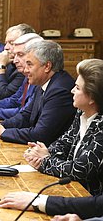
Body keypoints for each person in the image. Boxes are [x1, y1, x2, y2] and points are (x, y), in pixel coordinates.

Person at [23, 58, 103, 195]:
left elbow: (80, 169)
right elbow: (64, 142)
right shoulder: (81, 113)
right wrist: (42, 152)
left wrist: (45, 161)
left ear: (92, 98)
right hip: (72, 191)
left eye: (77, 88)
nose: (72, 91)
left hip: (89, 203)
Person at [0, 40, 76, 146]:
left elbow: (41, 135)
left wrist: (3, 132)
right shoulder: (43, 82)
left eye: (29, 64)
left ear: (47, 66)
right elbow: (26, 116)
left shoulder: (60, 91)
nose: (25, 69)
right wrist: (0, 125)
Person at [0, 32, 42, 119]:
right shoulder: (26, 74)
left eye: (20, 55)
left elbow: (24, 112)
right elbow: (15, 100)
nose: (15, 60)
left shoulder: (33, 76)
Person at [0, 24, 31, 101]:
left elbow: (2, 96)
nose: (6, 47)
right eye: (6, 43)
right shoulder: (9, 62)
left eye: (11, 43)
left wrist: (0, 66)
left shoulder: (24, 68)